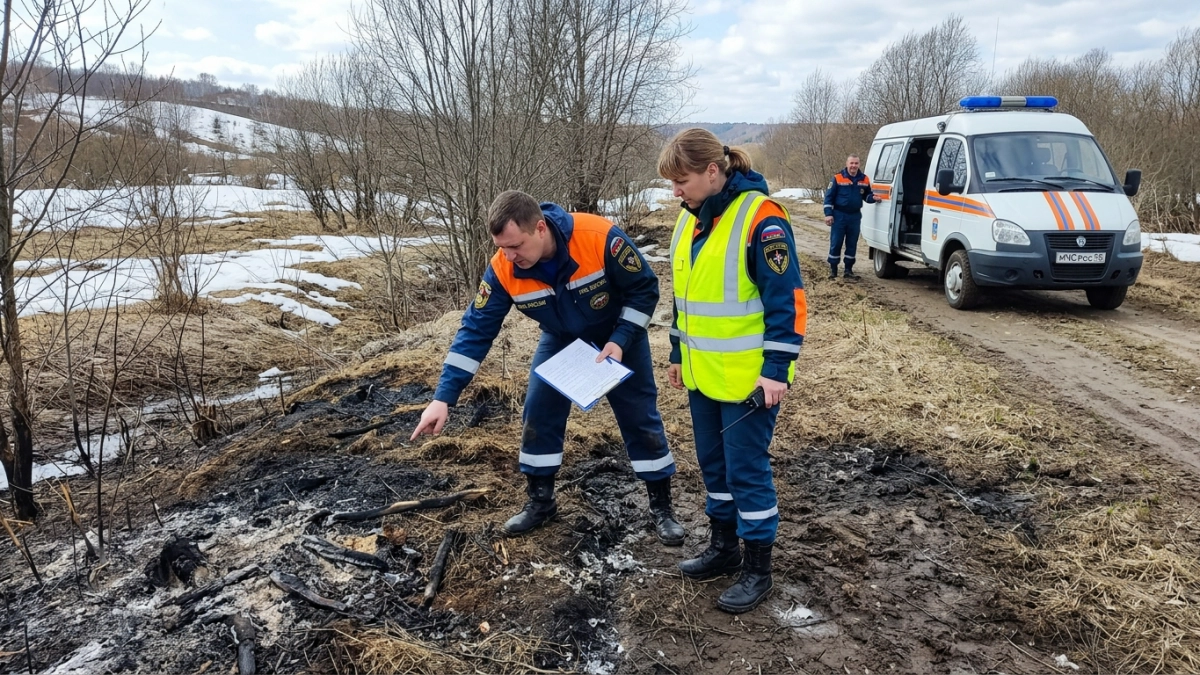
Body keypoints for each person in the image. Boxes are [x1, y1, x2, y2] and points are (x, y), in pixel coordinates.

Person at [410, 190, 685, 546]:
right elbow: (475, 331)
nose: (509, 256)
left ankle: (661, 507)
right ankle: (540, 501)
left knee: (639, 415)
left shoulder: (600, 237)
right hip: (561, 339)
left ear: (540, 228)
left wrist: (621, 338)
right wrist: (443, 398)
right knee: (538, 412)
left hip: (619, 336)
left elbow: (645, 289)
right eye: (502, 248)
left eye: (516, 246)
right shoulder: (502, 268)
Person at [658, 129, 807, 614]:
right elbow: (684, 298)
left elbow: (787, 301)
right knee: (714, 467)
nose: (675, 191)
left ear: (712, 172)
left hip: (749, 380)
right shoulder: (689, 220)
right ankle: (724, 548)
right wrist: (679, 353)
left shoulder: (761, 219)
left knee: (747, 471)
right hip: (703, 375)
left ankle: (758, 568)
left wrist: (777, 370)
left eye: (681, 181)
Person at [823, 155, 876, 280]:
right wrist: (828, 214)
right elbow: (828, 197)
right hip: (839, 215)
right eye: (851, 163)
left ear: (859, 164)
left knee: (852, 243)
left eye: (856, 163)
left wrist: (873, 198)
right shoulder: (837, 178)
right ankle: (833, 270)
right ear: (847, 163)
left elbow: (867, 195)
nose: (854, 166)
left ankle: (848, 271)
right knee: (836, 243)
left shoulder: (864, 179)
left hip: (854, 216)